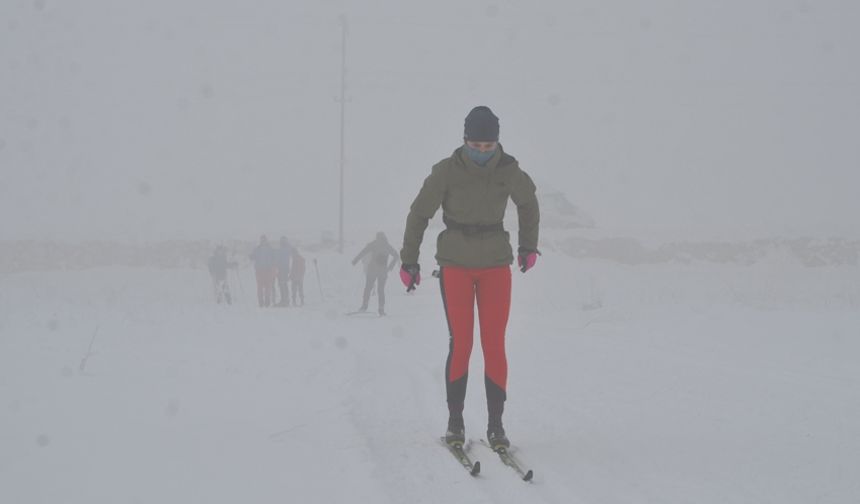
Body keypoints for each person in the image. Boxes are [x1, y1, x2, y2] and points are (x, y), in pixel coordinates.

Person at [399, 106, 540, 451]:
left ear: (497, 143)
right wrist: (409, 261)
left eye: (488, 147)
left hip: (495, 264)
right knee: (461, 344)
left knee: (494, 344)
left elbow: (528, 203)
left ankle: (496, 425)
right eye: (475, 146)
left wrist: (528, 246)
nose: (481, 153)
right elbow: (419, 214)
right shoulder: (446, 172)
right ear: (464, 141)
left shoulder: (509, 170)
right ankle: (455, 422)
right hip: (456, 264)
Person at [351, 232, 399, 315]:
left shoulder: (373, 244)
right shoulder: (387, 245)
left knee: (368, 288)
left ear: (377, 237)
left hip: (372, 270)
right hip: (383, 272)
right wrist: (390, 267)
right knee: (381, 290)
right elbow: (396, 255)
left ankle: (364, 306)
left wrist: (355, 260)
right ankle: (381, 309)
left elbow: (363, 252)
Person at [250, 234, 277, 307]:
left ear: (266, 240)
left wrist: (274, 269)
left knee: (268, 287)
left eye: (264, 240)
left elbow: (274, 259)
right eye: (262, 240)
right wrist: (251, 256)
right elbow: (252, 256)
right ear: (260, 241)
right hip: (259, 270)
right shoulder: (257, 249)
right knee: (260, 287)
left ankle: (267, 301)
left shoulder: (270, 249)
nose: (263, 241)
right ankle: (261, 302)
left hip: (268, 270)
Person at [275, 236, 293, 306]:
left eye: (283, 241)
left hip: (284, 269)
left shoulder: (287, 248)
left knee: (283, 284)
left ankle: (285, 300)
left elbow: (292, 251)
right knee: (281, 284)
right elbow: (277, 258)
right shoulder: (280, 249)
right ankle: (283, 299)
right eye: (281, 241)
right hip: (280, 269)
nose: (282, 242)